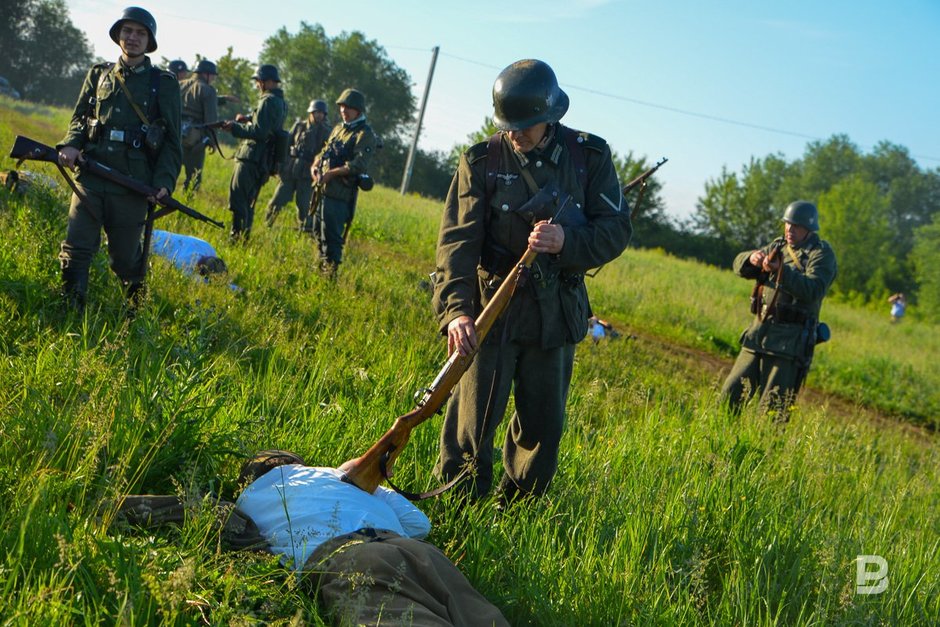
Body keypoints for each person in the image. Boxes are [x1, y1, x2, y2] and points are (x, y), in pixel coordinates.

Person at [432, 59, 633, 503]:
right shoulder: (480, 161)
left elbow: (617, 230)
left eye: (525, 125)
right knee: (472, 422)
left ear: (551, 116)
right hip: (493, 307)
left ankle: (519, 513)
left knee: (542, 428)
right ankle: (456, 509)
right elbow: (456, 244)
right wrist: (458, 312)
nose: (515, 134)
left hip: (556, 309)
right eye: (508, 125)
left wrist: (566, 241)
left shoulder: (589, 157)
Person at [56, 6, 182, 312]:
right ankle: (70, 315)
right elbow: (79, 119)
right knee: (76, 249)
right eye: (127, 31)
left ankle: (133, 320)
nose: (133, 38)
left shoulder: (162, 83)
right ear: (118, 35)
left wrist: (163, 182)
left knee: (125, 260)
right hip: (91, 176)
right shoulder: (98, 74)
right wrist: (72, 144)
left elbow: (171, 143)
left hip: (132, 185)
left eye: (140, 33)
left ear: (149, 40)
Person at [720, 200, 838, 419]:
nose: (789, 230)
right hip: (758, 335)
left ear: (809, 229)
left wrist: (782, 271)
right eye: (787, 224)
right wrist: (751, 258)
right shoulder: (778, 246)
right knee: (728, 399)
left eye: (796, 226)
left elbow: (813, 289)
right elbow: (738, 264)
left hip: (789, 345)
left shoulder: (820, 255)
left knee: (772, 415)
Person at [311, 88, 377, 277]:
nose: (343, 110)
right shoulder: (339, 128)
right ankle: (321, 271)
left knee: (332, 238)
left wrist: (331, 174)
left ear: (358, 110)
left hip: (340, 195)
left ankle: (329, 276)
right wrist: (315, 166)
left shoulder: (365, 134)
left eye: (348, 107)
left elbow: (358, 165)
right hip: (322, 189)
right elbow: (325, 151)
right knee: (318, 231)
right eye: (341, 106)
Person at [221, 64, 287, 242]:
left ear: (265, 82)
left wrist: (235, 128)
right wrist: (248, 119)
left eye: (258, 81)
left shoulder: (267, 101)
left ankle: (236, 237)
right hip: (262, 161)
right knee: (249, 201)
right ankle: (243, 237)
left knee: (239, 199)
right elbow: (267, 124)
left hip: (251, 157)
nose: (257, 85)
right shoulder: (280, 102)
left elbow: (260, 132)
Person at [265, 99, 332, 232]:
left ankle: (306, 232)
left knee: (305, 207)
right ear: (311, 112)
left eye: (322, 113)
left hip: (308, 175)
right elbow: (286, 144)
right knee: (277, 200)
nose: (320, 115)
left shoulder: (326, 132)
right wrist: (279, 165)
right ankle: (267, 225)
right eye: (317, 112)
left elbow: (326, 154)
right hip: (290, 171)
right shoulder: (299, 126)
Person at [178, 59, 220, 192]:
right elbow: (211, 119)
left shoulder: (179, 84)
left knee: (170, 172)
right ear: (206, 74)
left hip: (174, 133)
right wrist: (212, 141)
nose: (213, 78)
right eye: (212, 75)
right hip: (194, 139)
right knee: (193, 177)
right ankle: (187, 204)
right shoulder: (208, 90)